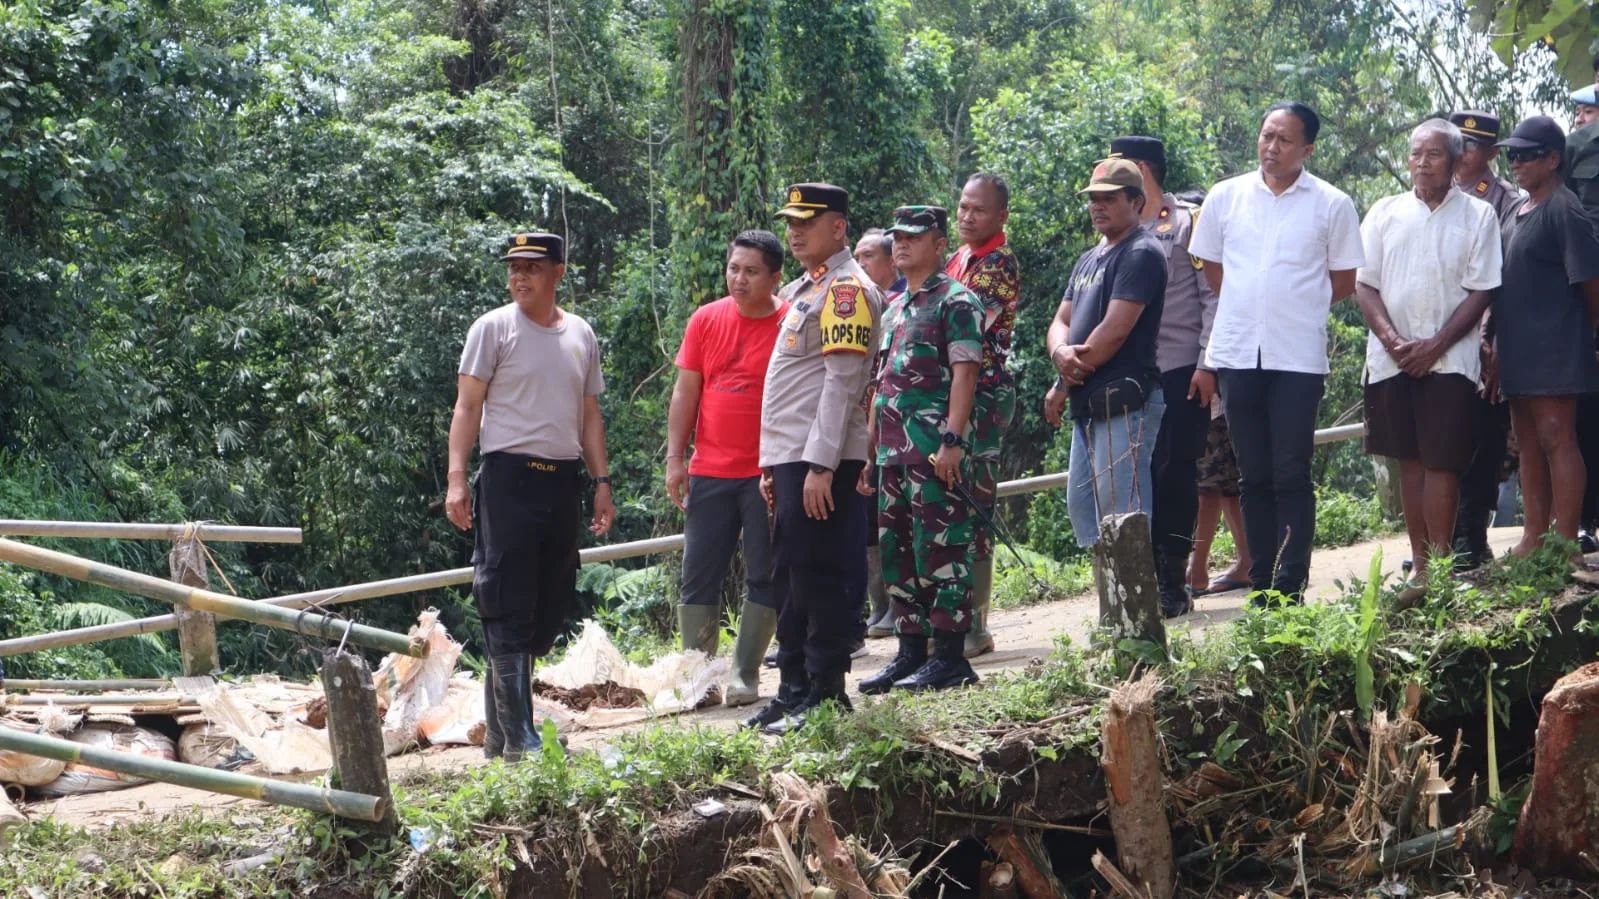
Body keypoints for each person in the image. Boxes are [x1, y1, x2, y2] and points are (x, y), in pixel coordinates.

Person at [446, 232, 615, 762]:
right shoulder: (493, 328)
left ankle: (501, 735)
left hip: (562, 480)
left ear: (558, 274)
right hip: (508, 478)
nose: (519, 276)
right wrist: (456, 477)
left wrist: (601, 482)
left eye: (532, 268)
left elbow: (588, 414)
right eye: (513, 267)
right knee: (507, 598)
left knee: (549, 600)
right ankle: (520, 737)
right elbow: (467, 407)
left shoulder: (580, 334)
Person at [1187, 101, 1364, 603]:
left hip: (1297, 357)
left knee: (1291, 470)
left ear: (1307, 148)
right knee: (1252, 473)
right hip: (1239, 351)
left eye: (1285, 140)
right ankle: (1261, 579)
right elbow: (1214, 271)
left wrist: (1293, 306)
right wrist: (1253, 306)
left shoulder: (1332, 203)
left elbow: (1345, 280)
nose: (1272, 147)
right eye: (1267, 136)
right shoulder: (1226, 196)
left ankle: (1291, 582)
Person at [744, 182, 881, 735]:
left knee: (820, 573)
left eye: (808, 222)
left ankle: (826, 691)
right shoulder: (809, 288)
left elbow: (842, 384)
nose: (795, 232)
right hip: (792, 457)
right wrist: (771, 464)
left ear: (839, 228)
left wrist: (821, 466)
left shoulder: (846, 291)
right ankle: (794, 686)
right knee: (790, 574)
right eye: (791, 223)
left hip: (820, 458)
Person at [1355, 119, 1503, 602]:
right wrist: (1395, 341)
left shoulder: (1479, 216)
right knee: (1410, 462)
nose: (1421, 162)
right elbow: (1365, 283)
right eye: (1416, 153)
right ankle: (1419, 568)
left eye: (1433, 154)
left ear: (1457, 159)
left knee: (1443, 462)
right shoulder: (1383, 212)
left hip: (1451, 360)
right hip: (1391, 358)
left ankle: (1439, 567)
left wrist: (1436, 344)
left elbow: (1482, 289)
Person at [859, 205, 985, 695]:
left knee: (943, 550)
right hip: (892, 454)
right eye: (898, 237)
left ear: (938, 243)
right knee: (898, 553)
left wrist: (953, 440)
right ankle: (910, 653)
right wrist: (870, 455)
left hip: (935, 450)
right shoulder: (894, 308)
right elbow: (881, 386)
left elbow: (965, 373)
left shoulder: (956, 300)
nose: (902, 244)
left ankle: (950, 657)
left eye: (915, 236)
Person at [666, 230, 787, 708]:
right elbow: (685, 392)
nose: (739, 278)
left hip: (767, 472)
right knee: (699, 572)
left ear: (775, 277)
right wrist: (676, 459)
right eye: (734, 268)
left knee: (765, 571)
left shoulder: (790, 322)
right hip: (710, 469)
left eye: (751, 271)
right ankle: (700, 679)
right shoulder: (705, 319)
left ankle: (744, 674)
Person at [1107, 137, 1218, 617]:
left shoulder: (1187, 224)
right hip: (1131, 376)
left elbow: (1213, 296)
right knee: (1136, 476)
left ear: (1140, 170)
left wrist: (1209, 363)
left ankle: (1175, 580)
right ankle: (1142, 577)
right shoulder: (1115, 233)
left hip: (1180, 368)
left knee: (1175, 473)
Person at [1043, 158, 1168, 546]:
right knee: (1083, 507)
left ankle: (1134, 606)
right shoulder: (1089, 258)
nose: (1097, 206)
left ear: (1135, 202)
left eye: (1108, 199)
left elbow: (1113, 333)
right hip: (1089, 401)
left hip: (1124, 400)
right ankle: (1111, 601)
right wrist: (1059, 355)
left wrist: (1065, 375)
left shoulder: (1141, 252)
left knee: (1122, 512)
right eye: (1093, 199)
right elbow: (1059, 322)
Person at [1492, 116, 1599, 556]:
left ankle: (1564, 538)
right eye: (1511, 155)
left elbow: (1591, 283)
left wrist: (1592, 337)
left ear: (1553, 159)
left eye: (1526, 155)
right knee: (1529, 443)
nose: (1515, 163)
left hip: (1557, 344)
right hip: (1518, 347)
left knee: (1558, 436)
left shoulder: (1564, 208)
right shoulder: (1517, 210)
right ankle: (1532, 535)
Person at [944, 172, 1020, 656]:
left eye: (978, 210)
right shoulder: (958, 259)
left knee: (976, 506)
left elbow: (964, 323)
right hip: (951, 394)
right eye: (963, 208)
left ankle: (976, 625)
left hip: (985, 393)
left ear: (1000, 217)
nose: (967, 217)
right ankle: (949, 620)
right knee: (949, 505)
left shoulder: (998, 264)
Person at [1448, 110, 1524, 570]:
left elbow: (1501, 282)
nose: (1462, 153)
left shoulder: (1505, 202)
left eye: (1472, 146)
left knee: (1483, 445)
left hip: (1483, 343)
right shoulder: (1433, 195)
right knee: (1442, 445)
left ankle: (1471, 539)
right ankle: (1441, 540)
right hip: (1438, 344)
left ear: (1492, 153)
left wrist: (1489, 342)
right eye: (1457, 143)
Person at [853, 228, 901, 641]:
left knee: (892, 515)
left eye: (869, 256)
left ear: (891, 261)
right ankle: (879, 605)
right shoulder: (857, 304)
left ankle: (898, 604)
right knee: (868, 518)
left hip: (897, 427)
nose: (862, 264)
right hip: (862, 422)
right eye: (857, 256)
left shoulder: (903, 302)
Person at [1188, 398, 1254, 593]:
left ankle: (1197, 570)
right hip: (1219, 404)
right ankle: (1247, 561)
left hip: (1209, 404)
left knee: (1210, 484)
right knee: (1227, 484)